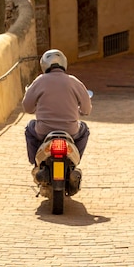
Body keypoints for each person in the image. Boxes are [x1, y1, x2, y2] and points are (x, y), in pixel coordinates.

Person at [22, 49, 92, 191]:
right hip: (71, 131)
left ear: (44, 65)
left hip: (43, 131)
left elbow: (27, 107)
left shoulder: (39, 81)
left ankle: (35, 164)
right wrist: (79, 111)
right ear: (63, 64)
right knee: (84, 130)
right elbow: (86, 109)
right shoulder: (74, 82)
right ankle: (74, 162)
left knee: (29, 128)